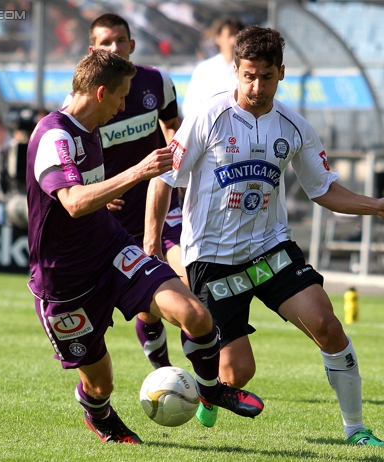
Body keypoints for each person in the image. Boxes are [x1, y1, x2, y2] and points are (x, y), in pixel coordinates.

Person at [144, 26, 384, 446]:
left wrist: (375, 205)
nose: (256, 85)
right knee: (237, 372)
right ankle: (211, 391)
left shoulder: (295, 126)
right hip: (212, 257)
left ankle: (357, 430)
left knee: (327, 325)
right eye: (248, 75)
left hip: (271, 248)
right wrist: (152, 245)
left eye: (266, 76)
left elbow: (322, 188)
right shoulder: (206, 117)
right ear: (236, 71)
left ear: (281, 73)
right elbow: (163, 178)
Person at [26, 49, 264, 444]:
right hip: (64, 281)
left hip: (111, 249)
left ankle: (210, 388)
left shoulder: (88, 125)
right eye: (121, 97)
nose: (124, 105)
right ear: (101, 93)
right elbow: (72, 201)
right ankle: (99, 414)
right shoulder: (55, 136)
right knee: (101, 383)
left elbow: (86, 196)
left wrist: (104, 195)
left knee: (195, 314)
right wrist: (138, 171)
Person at [64, 13, 186, 370]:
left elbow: (172, 129)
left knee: (184, 281)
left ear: (132, 45)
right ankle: (163, 371)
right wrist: (94, 189)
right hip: (114, 216)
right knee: (147, 304)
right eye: (106, 42)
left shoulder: (157, 82)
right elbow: (72, 155)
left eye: (121, 41)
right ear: (92, 52)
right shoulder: (80, 102)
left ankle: (204, 379)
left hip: (162, 204)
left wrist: (177, 175)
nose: (115, 47)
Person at [181, 16, 245, 119]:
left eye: (237, 36)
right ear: (218, 38)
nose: (233, 41)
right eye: (229, 36)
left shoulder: (250, 70)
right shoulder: (204, 69)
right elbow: (189, 105)